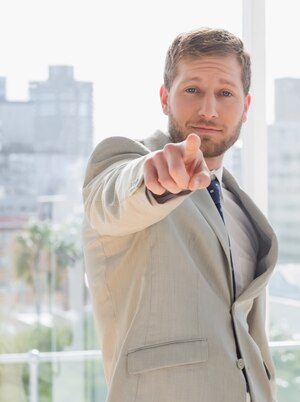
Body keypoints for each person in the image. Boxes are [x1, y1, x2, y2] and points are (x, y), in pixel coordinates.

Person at [82, 27, 277, 402]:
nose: (208, 109)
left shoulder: (240, 206)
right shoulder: (126, 161)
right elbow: (113, 199)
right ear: (164, 97)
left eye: (225, 93)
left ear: (246, 107)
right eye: (192, 90)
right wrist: (154, 179)